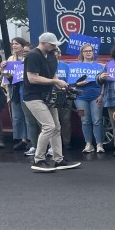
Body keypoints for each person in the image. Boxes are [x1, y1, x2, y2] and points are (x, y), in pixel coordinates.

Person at [24, 32, 81, 172]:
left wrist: (63, 85)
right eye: (52, 44)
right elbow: (32, 78)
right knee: (49, 126)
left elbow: (52, 74)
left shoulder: (51, 55)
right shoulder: (33, 55)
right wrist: (55, 81)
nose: (55, 46)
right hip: (33, 96)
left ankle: (58, 159)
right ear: (43, 43)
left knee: (56, 127)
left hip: (48, 95)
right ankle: (38, 160)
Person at [1, 37, 31, 151]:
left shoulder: (28, 58)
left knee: (28, 116)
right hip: (14, 90)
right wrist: (4, 72)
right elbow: (8, 76)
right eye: (12, 44)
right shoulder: (10, 59)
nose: (14, 46)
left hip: (26, 89)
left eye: (16, 44)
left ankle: (30, 139)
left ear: (23, 46)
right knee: (17, 116)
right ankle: (22, 139)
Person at [74, 44, 105, 153]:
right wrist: (78, 83)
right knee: (84, 120)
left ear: (93, 53)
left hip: (96, 96)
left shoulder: (100, 66)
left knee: (97, 120)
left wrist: (101, 95)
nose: (88, 53)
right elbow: (71, 83)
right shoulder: (75, 67)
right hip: (80, 98)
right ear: (82, 53)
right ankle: (88, 144)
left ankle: (99, 144)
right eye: (85, 51)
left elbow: (103, 83)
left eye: (90, 51)